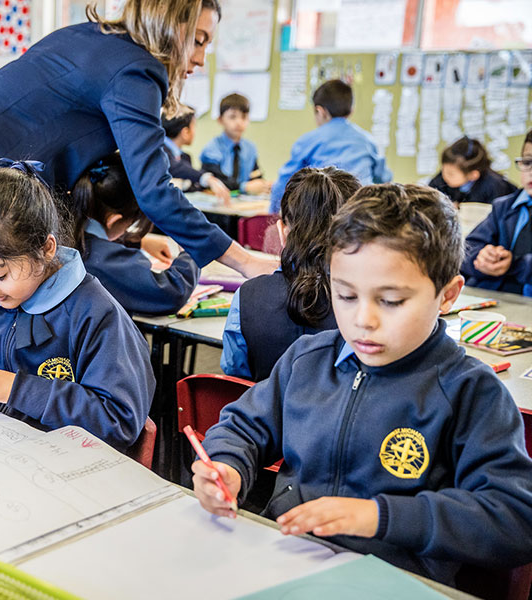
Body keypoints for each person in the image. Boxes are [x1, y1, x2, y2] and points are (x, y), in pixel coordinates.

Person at [193, 183, 532, 585]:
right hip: (287, 560)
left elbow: (514, 516)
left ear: (447, 296)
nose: (363, 320)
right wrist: (228, 466)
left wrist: (380, 516)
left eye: (390, 301)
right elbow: (242, 426)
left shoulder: (469, 391)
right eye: (346, 295)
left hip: (394, 581)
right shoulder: (307, 360)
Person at [0, 0, 272, 293]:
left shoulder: (87, 37)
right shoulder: (137, 70)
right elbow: (154, 190)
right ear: (168, 23)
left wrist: (136, 242)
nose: (199, 58)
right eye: (198, 39)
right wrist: (242, 260)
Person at [0, 162, 154, 451]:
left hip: (72, 467)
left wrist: (15, 389)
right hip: (1, 449)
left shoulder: (96, 315)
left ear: (47, 249)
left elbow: (117, 422)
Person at [221, 167, 360, 381]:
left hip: (265, 412)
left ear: (282, 230)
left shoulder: (247, 296)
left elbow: (236, 375)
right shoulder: (366, 305)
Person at [72, 153, 199, 315]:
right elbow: (170, 292)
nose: (128, 229)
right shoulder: (100, 259)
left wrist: (137, 242)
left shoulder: (71, 234)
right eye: (130, 223)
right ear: (113, 220)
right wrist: (191, 252)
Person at [270, 79, 392, 213]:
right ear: (351, 110)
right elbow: (384, 178)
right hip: (360, 215)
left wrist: (274, 214)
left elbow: (284, 184)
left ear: (320, 111)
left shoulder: (308, 141)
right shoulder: (367, 140)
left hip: (321, 214)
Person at [462, 130, 532, 295]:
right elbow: (465, 250)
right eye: (528, 162)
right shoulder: (504, 207)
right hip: (494, 299)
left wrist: (515, 265)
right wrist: (481, 259)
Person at [200, 93, 269, 195]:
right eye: (232, 117)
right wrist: (244, 187)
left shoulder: (250, 148)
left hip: (242, 202)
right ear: (220, 120)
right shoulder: (212, 148)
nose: (239, 122)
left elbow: (255, 175)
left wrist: (263, 185)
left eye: (244, 117)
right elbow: (218, 181)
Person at [162, 107, 230, 203]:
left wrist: (186, 184)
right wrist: (207, 179)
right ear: (185, 132)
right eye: (194, 126)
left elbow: (192, 185)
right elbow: (176, 167)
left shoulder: (184, 157)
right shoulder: (160, 151)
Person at [429, 136, 517, 205]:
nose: (444, 175)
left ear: (473, 175)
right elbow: (430, 195)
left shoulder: (496, 187)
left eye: (451, 174)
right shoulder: (444, 178)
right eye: (443, 169)